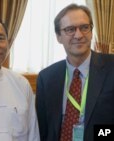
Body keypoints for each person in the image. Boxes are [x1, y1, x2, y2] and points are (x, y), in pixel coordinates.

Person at [36, 3, 114, 141]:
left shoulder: (111, 68)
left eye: (84, 28)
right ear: (59, 37)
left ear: (91, 32)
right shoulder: (46, 78)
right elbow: (43, 130)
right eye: (70, 29)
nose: (78, 35)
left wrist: (95, 135)